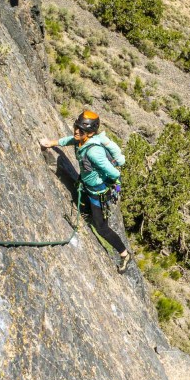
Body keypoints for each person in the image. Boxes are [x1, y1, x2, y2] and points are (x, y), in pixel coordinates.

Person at [39, 110, 132, 274]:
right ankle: (88, 211)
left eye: (80, 130)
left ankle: (124, 254)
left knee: (102, 227)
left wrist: (106, 184)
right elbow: (71, 140)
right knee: (87, 209)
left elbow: (115, 173)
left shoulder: (93, 151)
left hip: (99, 192)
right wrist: (52, 143)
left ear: (90, 133)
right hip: (89, 187)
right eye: (76, 127)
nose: (76, 131)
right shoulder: (81, 140)